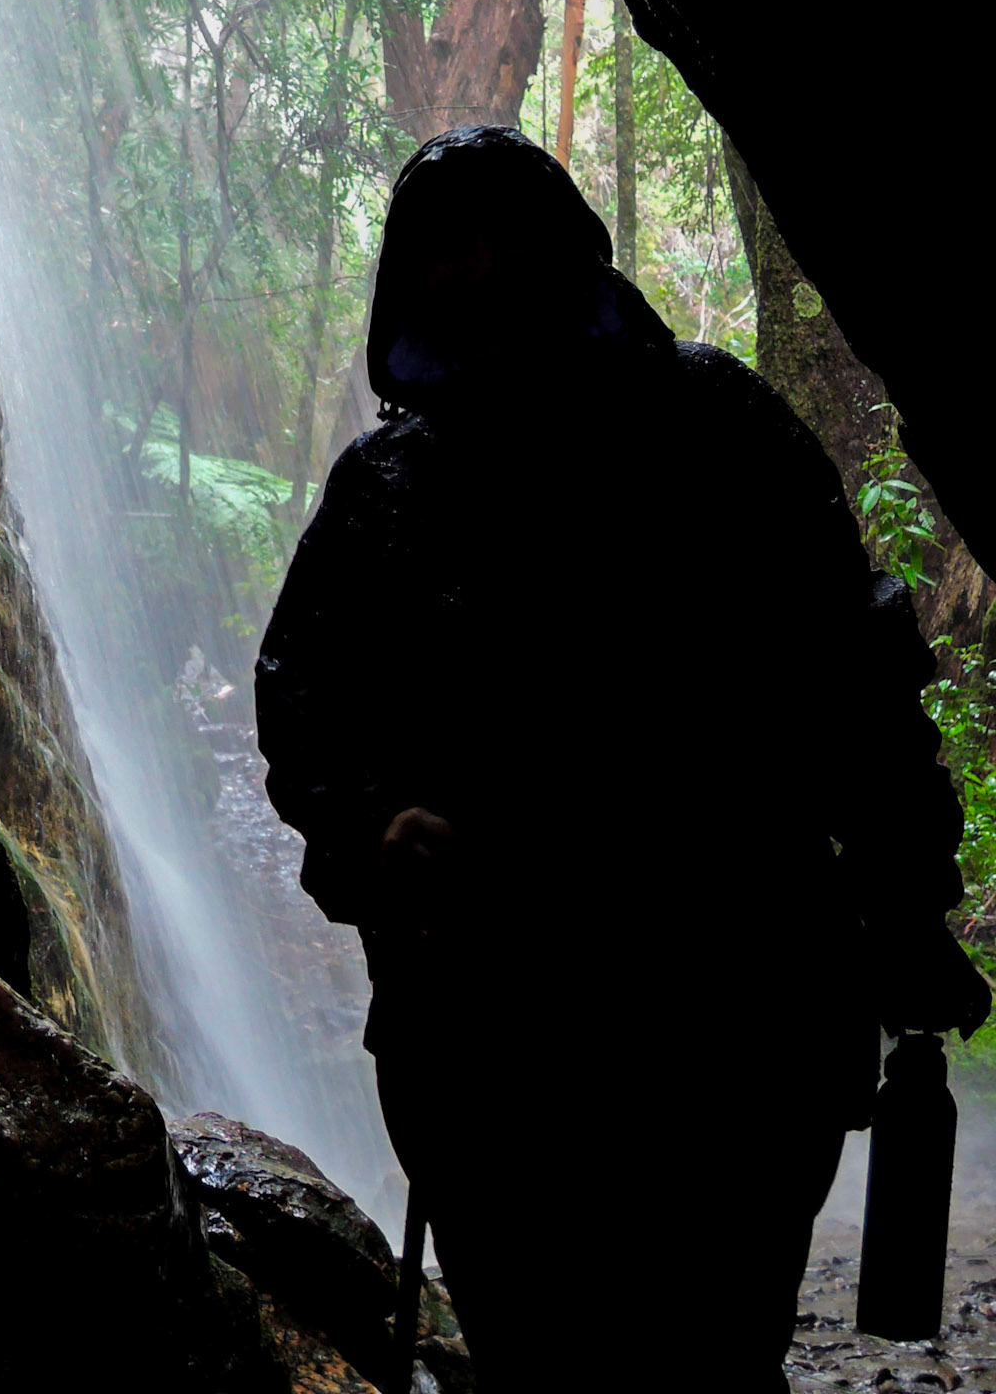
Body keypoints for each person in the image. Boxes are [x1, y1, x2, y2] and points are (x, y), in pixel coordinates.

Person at [255, 125, 988, 1389]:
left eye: (505, 231)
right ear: (409, 280)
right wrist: (374, 823)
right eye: (446, 245)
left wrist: (910, 908)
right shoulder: (386, 488)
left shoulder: (723, 427)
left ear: (567, 244)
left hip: (732, 1016)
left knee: (710, 1348)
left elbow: (857, 683)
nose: (478, 265)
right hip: (494, 1033)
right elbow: (308, 702)